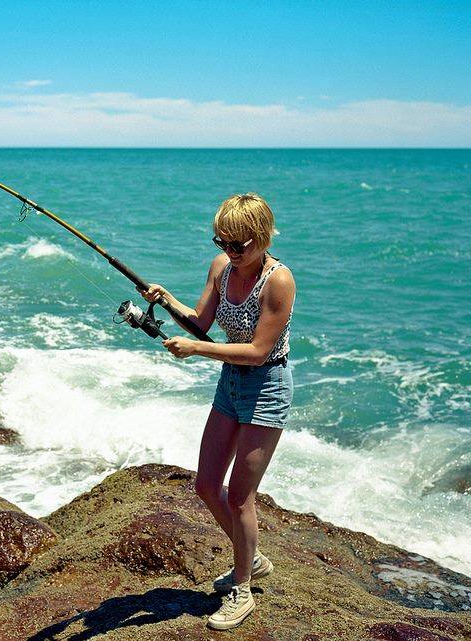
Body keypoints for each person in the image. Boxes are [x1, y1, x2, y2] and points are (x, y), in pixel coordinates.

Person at [141, 193, 295, 631]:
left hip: (266, 386)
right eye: (223, 240)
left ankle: (242, 590)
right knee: (207, 485)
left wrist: (195, 351)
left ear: (262, 238)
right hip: (231, 383)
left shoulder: (279, 281)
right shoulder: (221, 268)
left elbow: (258, 350)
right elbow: (200, 323)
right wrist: (167, 300)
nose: (230, 250)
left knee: (241, 495)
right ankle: (253, 559)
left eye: (239, 244)